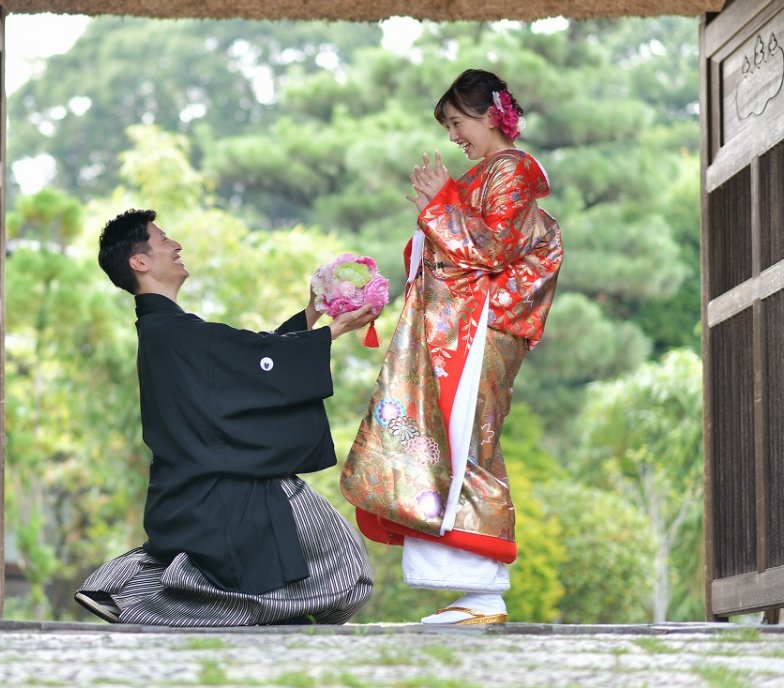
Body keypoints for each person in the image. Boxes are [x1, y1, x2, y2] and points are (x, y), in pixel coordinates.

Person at [75, 209, 376, 627]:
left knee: (319, 568)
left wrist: (313, 315)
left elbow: (248, 358)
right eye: (164, 240)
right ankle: (145, 604)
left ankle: (131, 591)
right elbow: (251, 359)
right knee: (344, 565)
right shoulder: (172, 333)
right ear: (139, 262)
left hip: (192, 489)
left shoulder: (169, 331)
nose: (176, 245)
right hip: (217, 491)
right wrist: (331, 331)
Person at [340, 69, 563, 625]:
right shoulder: (483, 176)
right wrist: (434, 218)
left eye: (459, 122)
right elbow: (455, 245)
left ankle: (483, 594)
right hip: (457, 326)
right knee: (445, 442)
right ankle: (470, 591)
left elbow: (491, 249)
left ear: (492, 115)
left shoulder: (512, 171)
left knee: (466, 442)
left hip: (478, 326)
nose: (454, 137)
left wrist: (439, 206)